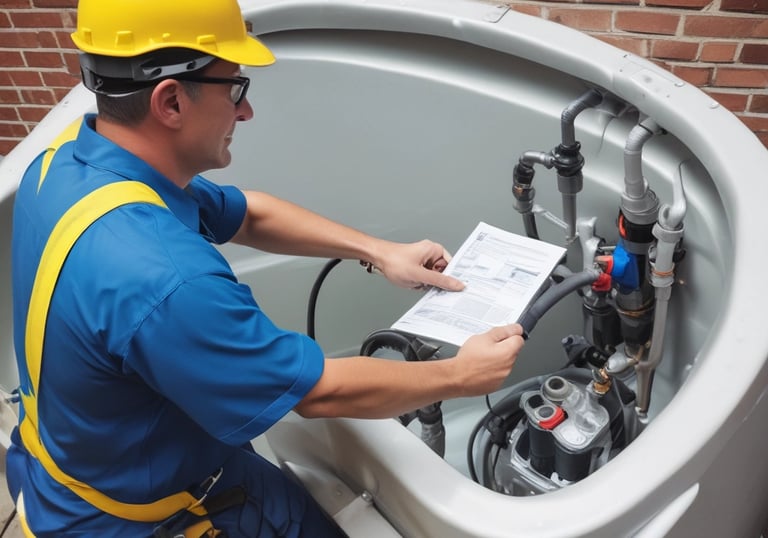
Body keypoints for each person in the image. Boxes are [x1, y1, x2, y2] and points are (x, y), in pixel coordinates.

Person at [6, 0, 525, 536]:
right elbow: (319, 394)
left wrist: (378, 251)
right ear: (171, 101)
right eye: (235, 88)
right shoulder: (164, 279)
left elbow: (247, 212)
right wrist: (459, 376)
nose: (245, 111)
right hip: (147, 516)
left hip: (82, 462)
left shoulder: (64, 166)